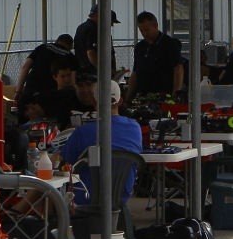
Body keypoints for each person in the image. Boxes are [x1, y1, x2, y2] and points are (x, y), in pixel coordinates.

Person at [59, 80, 144, 211]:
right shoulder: (135, 128)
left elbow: (65, 165)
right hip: (121, 196)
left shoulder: (82, 132)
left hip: (86, 197)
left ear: (93, 102)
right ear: (120, 101)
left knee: (48, 189)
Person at [126, 11, 185, 102]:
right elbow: (135, 73)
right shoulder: (140, 47)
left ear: (155, 25)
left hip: (164, 96)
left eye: (147, 30)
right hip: (142, 96)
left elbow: (178, 69)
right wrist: (128, 98)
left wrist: (175, 95)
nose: (144, 33)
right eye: (141, 31)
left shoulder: (170, 44)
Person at [14, 34, 74, 111]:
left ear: (56, 41)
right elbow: (72, 81)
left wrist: (18, 91)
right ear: (70, 46)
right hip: (51, 95)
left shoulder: (43, 47)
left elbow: (25, 66)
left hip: (31, 91)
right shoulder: (70, 56)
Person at [26, 55, 81, 129]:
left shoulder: (77, 93)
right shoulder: (48, 97)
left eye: (68, 75)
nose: (67, 79)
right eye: (63, 76)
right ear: (55, 77)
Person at [73, 4, 121, 76]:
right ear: (98, 15)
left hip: (82, 71)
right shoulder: (95, 30)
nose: (111, 25)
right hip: (93, 73)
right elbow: (91, 53)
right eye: (110, 21)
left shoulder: (81, 27)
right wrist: (104, 71)